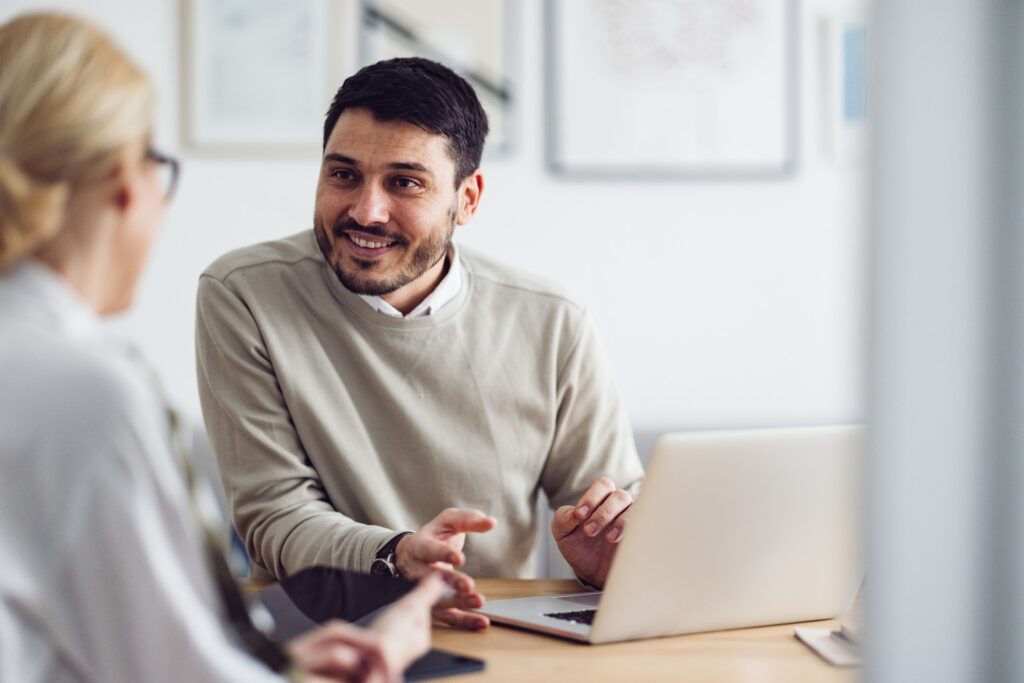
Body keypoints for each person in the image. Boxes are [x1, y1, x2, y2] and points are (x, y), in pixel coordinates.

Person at [0, 13, 446, 683]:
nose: (367, 212)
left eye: (404, 182)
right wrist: (377, 653)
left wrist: (274, 661)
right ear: (125, 180)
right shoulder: (88, 391)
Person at [196, 57, 645, 621]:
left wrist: (610, 552)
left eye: (404, 182)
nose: (366, 211)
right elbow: (274, 513)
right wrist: (394, 557)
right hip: (323, 631)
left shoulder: (553, 320)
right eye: (344, 175)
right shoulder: (244, 294)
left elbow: (613, 509)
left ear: (468, 199)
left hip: (494, 626)